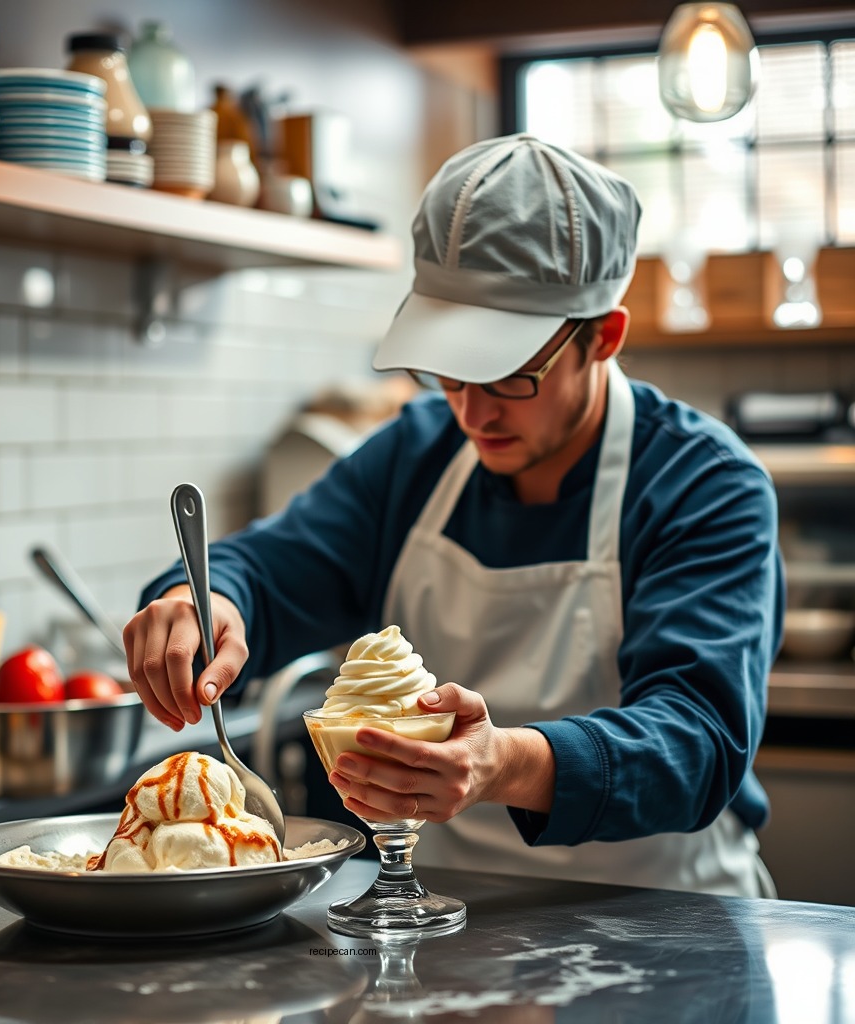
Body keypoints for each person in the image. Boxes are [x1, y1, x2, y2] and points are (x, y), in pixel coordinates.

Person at [123, 133, 784, 898]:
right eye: (448, 370)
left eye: (508, 375)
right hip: (451, 921)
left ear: (602, 337)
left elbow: (695, 742)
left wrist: (500, 763)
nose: (472, 410)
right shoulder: (416, 455)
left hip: (675, 927)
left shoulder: (704, 484)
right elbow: (268, 570)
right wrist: (198, 603)